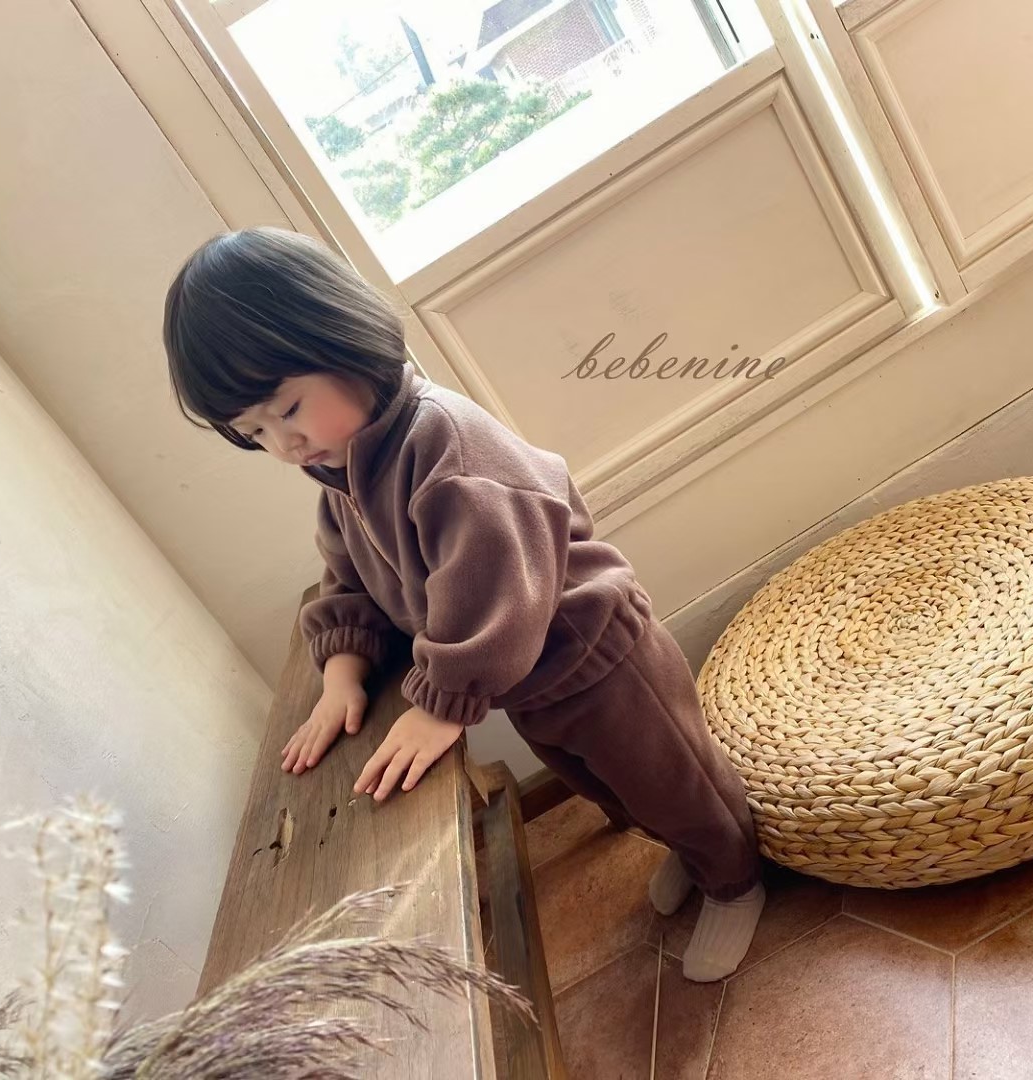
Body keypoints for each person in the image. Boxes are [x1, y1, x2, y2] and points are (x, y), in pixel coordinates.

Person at [161, 226, 764, 981]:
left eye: (288, 409)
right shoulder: (344, 471)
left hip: (597, 657)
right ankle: (689, 849)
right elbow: (347, 574)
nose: (285, 445)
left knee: (674, 778)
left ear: (344, 342)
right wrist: (343, 667)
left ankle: (735, 878)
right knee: (608, 785)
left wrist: (442, 702)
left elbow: (499, 589)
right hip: (528, 681)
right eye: (254, 431)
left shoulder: (447, 448)